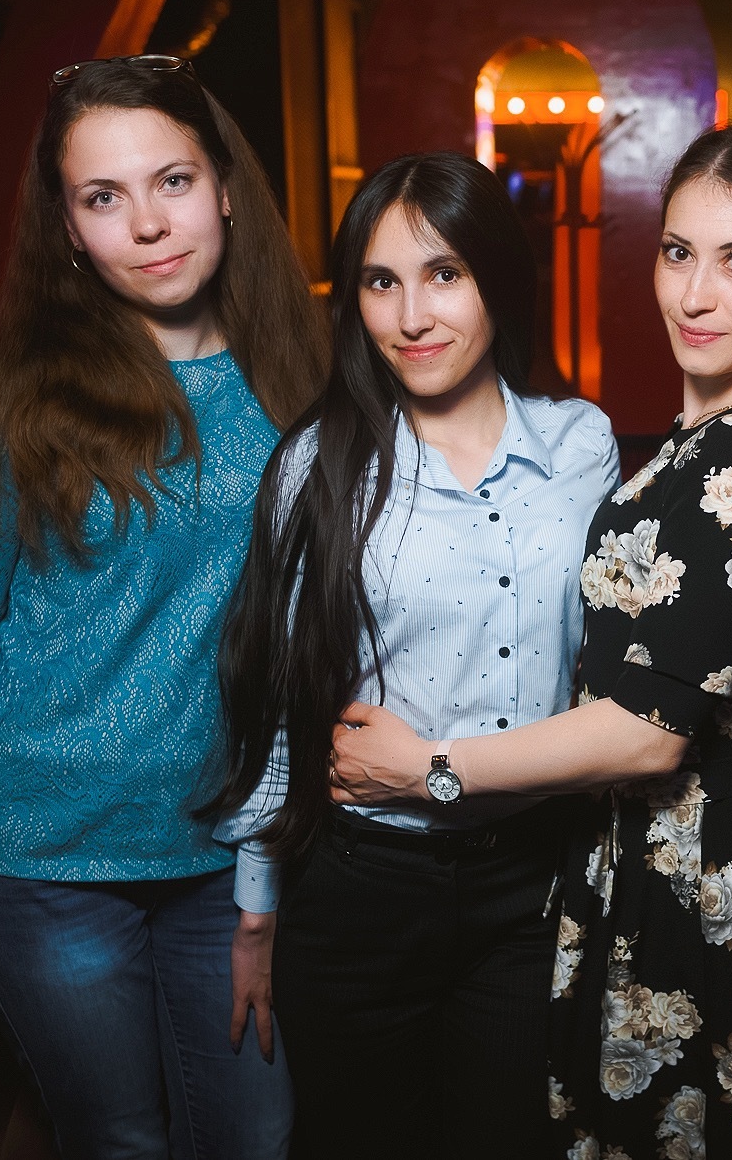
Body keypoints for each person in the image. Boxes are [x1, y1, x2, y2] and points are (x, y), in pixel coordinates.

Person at [327, 123, 732, 1157]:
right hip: (669, 853)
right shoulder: (731, 431)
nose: (694, 295)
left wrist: (428, 766)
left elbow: (650, 734)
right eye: (678, 253)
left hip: (693, 868)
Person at [0, 55, 327, 1159]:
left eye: (172, 181)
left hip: (231, 852)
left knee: (257, 1134)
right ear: (70, 230)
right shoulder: (11, 390)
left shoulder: (304, 379)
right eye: (102, 197)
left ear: (225, 186)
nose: (147, 224)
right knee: (119, 1140)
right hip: (42, 859)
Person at [206, 151, 620, 1157]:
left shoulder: (582, 445)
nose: (410, 316)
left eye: (444, 274)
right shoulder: (319, 463)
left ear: (497, 281)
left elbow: (611, 674)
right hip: (361, 890)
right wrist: (256, 914)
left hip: (529, 886)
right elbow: (277, 694)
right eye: (380, 281)